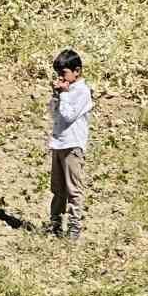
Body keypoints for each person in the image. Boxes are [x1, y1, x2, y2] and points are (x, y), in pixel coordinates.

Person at [47, 49, 93, 240]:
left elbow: (68, 116)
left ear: (77, 71)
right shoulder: (66, 91)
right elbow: (54, 113)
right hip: (59, 143)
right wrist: (56, 96)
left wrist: (64, 94)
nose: (60, 77)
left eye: (63, 73)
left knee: (73, 189)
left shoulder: (82, 91)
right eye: (58, 74)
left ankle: (74, 228)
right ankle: (55, 225)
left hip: (72, 145)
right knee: (58, 188)